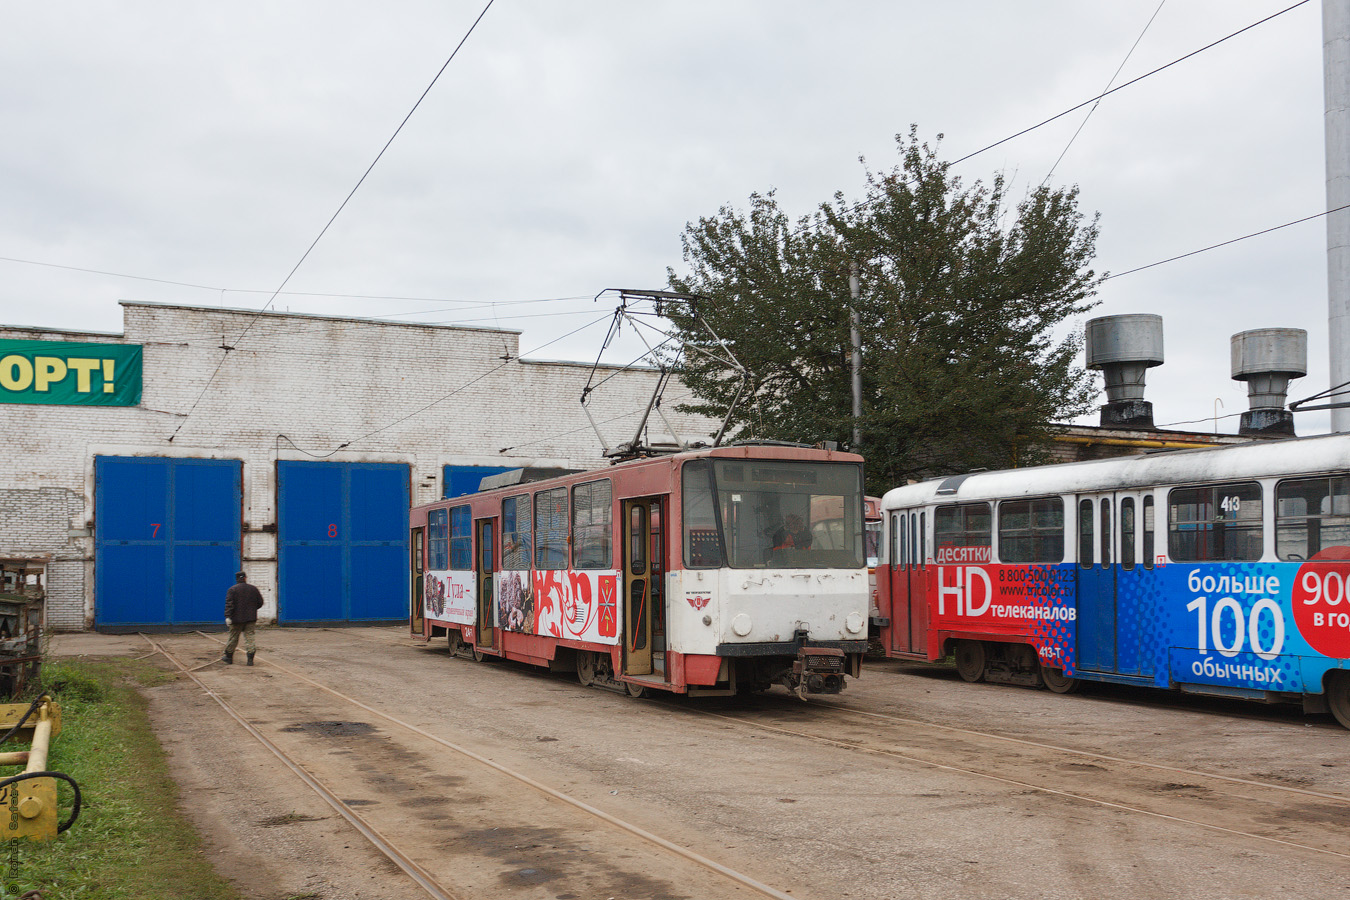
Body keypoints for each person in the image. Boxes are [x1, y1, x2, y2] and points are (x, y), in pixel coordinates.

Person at [223, 570, 264, 665]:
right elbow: (260, 602)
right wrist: (252, 609)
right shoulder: (253, 589)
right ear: (245, 578)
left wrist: (228, 616)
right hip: (251, 618)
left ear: (236, 579)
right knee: (250, 638)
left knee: (233, 637)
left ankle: (228, 657)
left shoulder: (232, 590)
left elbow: (229, 605)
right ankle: (250, 660)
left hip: (236, 619)